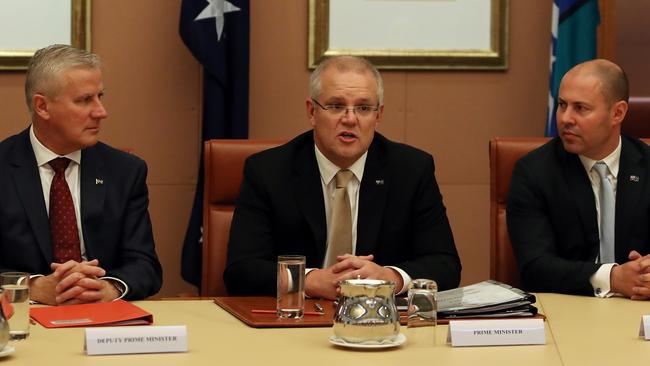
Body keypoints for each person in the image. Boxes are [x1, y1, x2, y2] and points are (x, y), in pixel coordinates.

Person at [224, 56, 461, 299]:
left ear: (378, 115)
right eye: (336, 106)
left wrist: (391, 277)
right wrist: (309, 280)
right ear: (312, 112)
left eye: (363, 108)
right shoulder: (268, 171)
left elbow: (445, 265)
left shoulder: (411, 170)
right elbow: (241, 270)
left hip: (378, 321)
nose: (350, 119)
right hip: (297, 318)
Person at [0, 44, 162, 305]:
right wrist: (32, 286)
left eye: (100, 96)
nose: (101, 111)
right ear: (42, 106)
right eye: (85, 100)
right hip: (22, 318)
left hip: (102, 318)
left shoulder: (125, 171)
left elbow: (144, 265)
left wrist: (108, 288)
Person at [507, 59, 650, 299]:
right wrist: (612, 278)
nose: (565, 119)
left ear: (618, 113)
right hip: (571, 308)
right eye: (562, 105)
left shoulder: (647, 165)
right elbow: (535, 267)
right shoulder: (535, 172)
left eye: (580, 108)